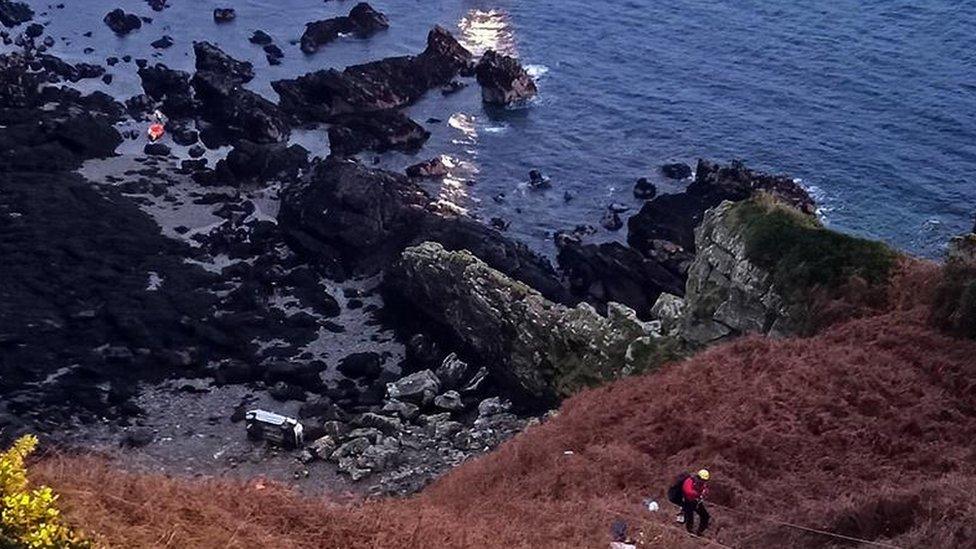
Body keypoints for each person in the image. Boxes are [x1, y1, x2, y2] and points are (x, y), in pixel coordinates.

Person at [667, 469, 710, 535]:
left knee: (705, 516)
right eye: (703, 480)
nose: (704, 482)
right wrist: (698, 494)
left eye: (705, 480)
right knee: (690, 517)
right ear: (699, 477)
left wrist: (704, 492)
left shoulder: (702, 484)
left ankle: (699, 532)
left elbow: (705, 489)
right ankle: (690, 532)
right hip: (687, 501)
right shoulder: (689, 481)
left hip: (696, 501)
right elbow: (688, 491)